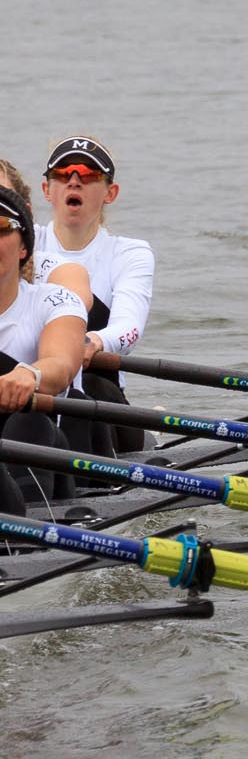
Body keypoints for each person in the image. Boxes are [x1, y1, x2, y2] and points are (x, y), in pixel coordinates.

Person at [37, 136, 153, 455]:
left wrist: (95, 342)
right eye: (62, 173)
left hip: (102, 400)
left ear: (110, 193)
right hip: (33, 390)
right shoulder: (20, 243)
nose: (74, 180)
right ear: (47, 190)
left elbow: (129, 327)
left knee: (86, 391)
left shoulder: (129, 254)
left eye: (88, 175)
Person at [0, 182, 90, 517]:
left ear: (24, 248)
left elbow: (61, 364)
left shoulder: (54, 301)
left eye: (0, 229)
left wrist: (30, 373)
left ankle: (28, 541)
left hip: (46, 448)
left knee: (28, 421)